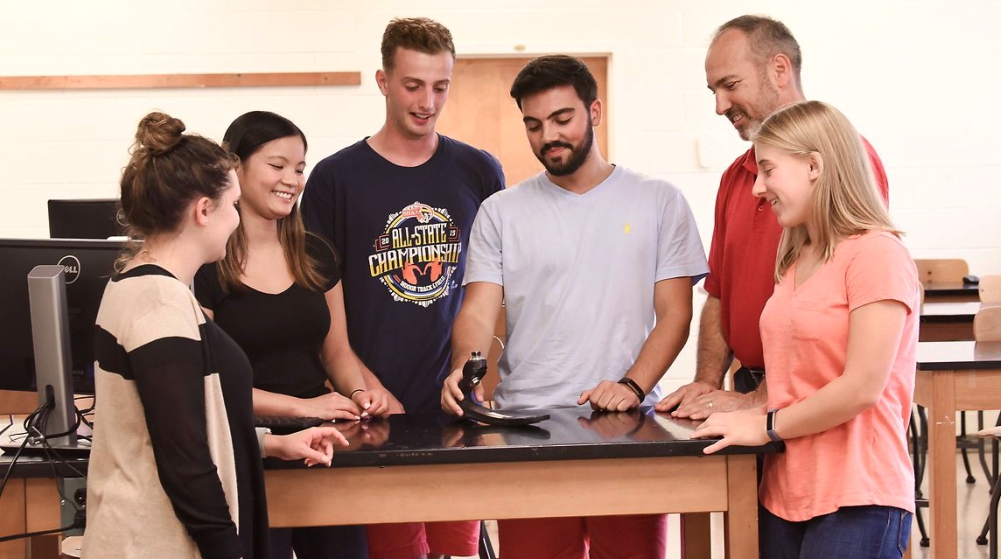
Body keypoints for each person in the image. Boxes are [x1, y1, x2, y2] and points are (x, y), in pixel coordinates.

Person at [441, 54, 708, 559]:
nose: (549, 137)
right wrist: (465, 368)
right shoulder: (501, 212)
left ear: (595, 112)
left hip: (628, 433)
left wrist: (632, 386)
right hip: (528, 430)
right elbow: (478, 311)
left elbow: (676, 314)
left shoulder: (658, 201)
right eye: (535, 125)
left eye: (562, 119)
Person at [83, 112, 347, 559]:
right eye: (232, 204)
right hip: (153, 542)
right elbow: (184, 460)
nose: (235, 217)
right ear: (204, 211)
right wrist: (229, 549)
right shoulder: (160, 307)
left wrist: (274, 443)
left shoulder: (145, 286)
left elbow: (189, 418)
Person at [299, 17, 505, 559]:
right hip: (375, 413)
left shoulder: (479, 170)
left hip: (456, 411)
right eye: (413, 85)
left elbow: (492, 290)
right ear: (384, 81)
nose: (427, 102)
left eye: (440, 86)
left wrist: (479, 376)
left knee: (458, 552)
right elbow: (321, 305)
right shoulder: (334, 179)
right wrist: (364, 386)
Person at [691, 100, 917, 558]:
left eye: (769, 170)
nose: (758, 188)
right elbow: (793, 369)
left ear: (814, 165)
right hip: (786, 490)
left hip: (859, 493)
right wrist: (748, 408)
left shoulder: (877, 255)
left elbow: (861, 388)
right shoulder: (796, 258)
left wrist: (767, 426)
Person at [657, 14, 890, 419]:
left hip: (804, 395)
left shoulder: (846, 160)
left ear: (779, 69)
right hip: (754, 386)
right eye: (713, 91)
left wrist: (763, 398)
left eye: (730, 85)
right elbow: (720, 290)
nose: (719, 106)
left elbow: (828, 316)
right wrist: (708, 382)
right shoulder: (735, 176)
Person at [194, 111, 390, 559]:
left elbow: (337, 352)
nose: (292, 179)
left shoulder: (316, 253)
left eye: (300, 168)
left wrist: (360, 392)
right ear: (235, 167)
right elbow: (211, 385)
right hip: (248, 449)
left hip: (322, 445)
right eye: (277, 165)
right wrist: (303, 407)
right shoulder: (208, 260)